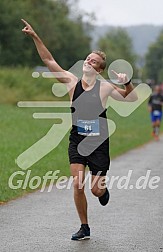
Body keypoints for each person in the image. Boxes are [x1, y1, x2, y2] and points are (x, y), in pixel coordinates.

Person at [21, 19, 137, 241]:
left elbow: (131, 98)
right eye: (88, 59)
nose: (89, 62)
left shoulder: (104, 87)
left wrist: (128, 82)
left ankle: (103, 190)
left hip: (98, 142)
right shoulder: (71, 82)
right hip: (77, 139)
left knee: (95, 190)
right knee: (77, 184)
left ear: (100, 69)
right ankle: (84, 227)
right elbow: (48, 59)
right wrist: (36, 36)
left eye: (93, 62)